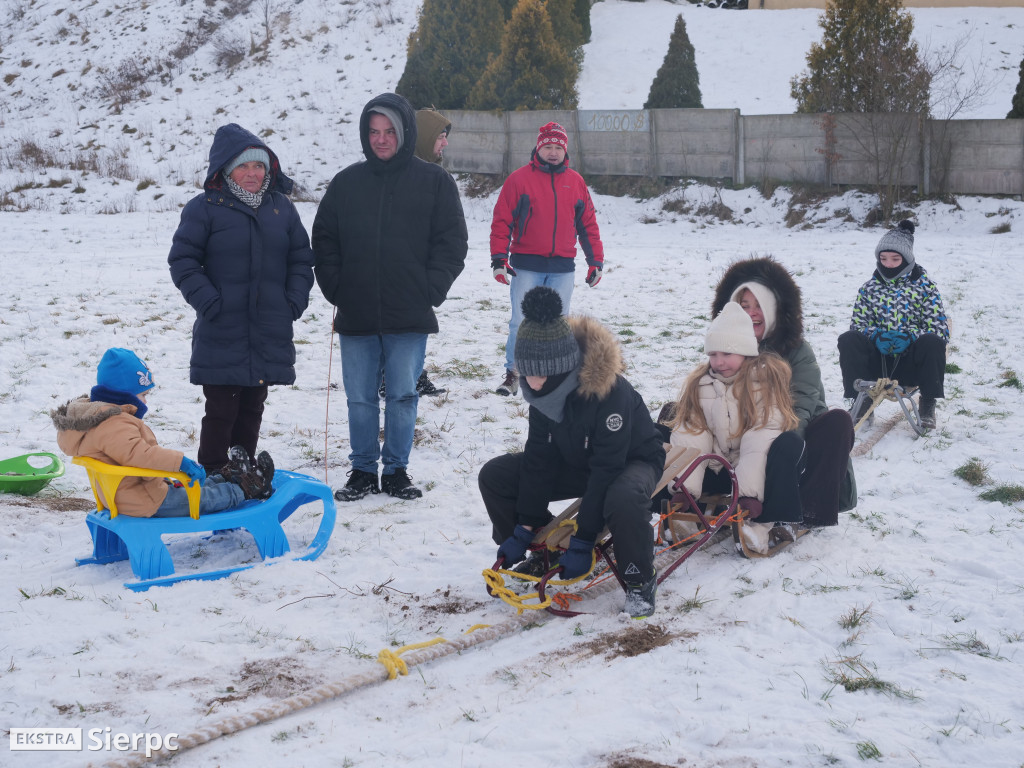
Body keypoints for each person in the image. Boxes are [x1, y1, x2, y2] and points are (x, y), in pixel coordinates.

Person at [312, 93, 468, 502]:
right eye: (373, 131)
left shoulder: (433, 182)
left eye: (389, 132)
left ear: (404, 133)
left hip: (410, 313)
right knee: (360, 398)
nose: (381, 139)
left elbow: (452, 243)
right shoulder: (347, 183)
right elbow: (324, 239)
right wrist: (337, 287)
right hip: (357, 312)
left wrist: (431, 289)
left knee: (402, 394)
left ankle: (396, 470)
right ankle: (362, 470)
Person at [478, 286, 664, 619]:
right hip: (576, 461)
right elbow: (538, 459)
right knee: (496, 475)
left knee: (622, 496)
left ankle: (639, 580)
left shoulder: (610, 394)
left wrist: (584, 538)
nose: (531, 382)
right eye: (526, 370)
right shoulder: (543, 394)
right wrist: (523, 527)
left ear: (562, 365)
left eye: (540, 372)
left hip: (630, 461)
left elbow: (607, 469)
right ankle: (541, 548)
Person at [168, 124, 314, 475]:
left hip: (268, 327)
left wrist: (293, 300)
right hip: (223, 326)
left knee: (253, 405)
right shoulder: (204, 208)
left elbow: (300, 258)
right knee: (221, 407)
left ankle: (244, 472)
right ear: (226, 169)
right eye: (243, 166)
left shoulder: (281, 209)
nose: (252, 173)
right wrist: (209, 302)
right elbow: (183, 261)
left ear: (269, 169)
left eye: (259, 166)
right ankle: (216, 473)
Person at [708, 256, 857, 527]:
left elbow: (802, 407)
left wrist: (773, 451)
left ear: (774, 309)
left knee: (838, 422)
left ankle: (809, 506)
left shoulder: (798, 351)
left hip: (790, 442)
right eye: (743, 306)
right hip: (737, 442)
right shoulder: (725, 352)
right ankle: (697, 495)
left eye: (758, 306)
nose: (751, 313)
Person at [51, 348, 273, 518]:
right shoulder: (113, 424)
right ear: (124, 394)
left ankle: (226, 477)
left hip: (129, 491)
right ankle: (247, 488)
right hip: (145, 499)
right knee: (206, 498)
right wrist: (180, 462)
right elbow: (142, 456)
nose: (146, 401)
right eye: (143, 394)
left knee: (192, 485)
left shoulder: (96, 418)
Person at [667, 303, 802, 554]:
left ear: (745, 352)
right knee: (678, 434)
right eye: (712, 354)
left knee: (783, 444)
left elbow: (762, 434)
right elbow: (693, 433)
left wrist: (747, 492)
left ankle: (760, 528)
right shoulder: (701, 385)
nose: (718, 362)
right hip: (717, 466)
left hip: (754, 469)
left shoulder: (764, 384)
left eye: (727, 354)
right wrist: (685, 487)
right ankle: (689, 513)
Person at [489, 121, 606, 397]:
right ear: (538, 148)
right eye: (548, 147)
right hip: (525, 265)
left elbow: (587, 224)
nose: (553, 153)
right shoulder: (518, 180)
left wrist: (596, 262)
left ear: (564, 150)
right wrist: (498, 259)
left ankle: (553, 374)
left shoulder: (576, 182)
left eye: (558, 147)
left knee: (559, 323)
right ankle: (514, 373)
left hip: (562, 267)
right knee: (521, 320)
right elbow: (502, 221)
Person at [838, 220, 949, 431]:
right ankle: (861, 401)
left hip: (910, 364)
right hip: (878, 363)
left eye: (895, 259)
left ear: (907, 259)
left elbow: (939, 329)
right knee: (848, 340)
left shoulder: (925, 288)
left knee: (933, 342)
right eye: (883, 258)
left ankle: (927, 404)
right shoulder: (869, 289)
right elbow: (858, 325)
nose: (888, 264)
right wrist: (875, 335)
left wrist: (911, 336)